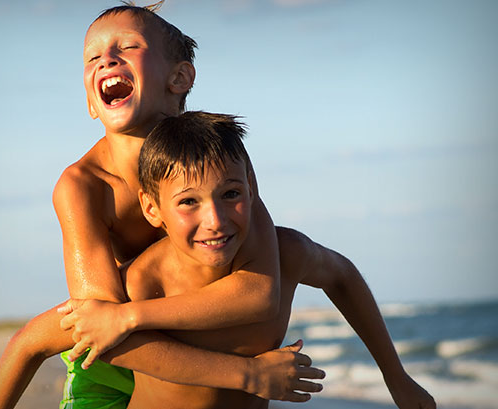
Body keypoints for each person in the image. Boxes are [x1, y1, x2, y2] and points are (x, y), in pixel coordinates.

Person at [0, 1, 323, 409]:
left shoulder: (218, 155)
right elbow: (101, 330)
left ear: (179, 77)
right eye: (93, 57)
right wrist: (249, 375)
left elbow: (259, 292)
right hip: (118, 353)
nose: (107, 59)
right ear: (92, 103)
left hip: (167, 331)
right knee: (31, 341)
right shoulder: (84, 187)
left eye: (127, 47)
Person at [62, 111, 436, 409]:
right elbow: (31, 343)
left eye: (231, 194)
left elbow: (342, 276)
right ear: (151, 208)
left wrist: (396, 377)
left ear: (252, 189)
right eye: (189, 201)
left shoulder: (285, 255)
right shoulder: (142, 282)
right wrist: (250, 374)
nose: (216, 220)